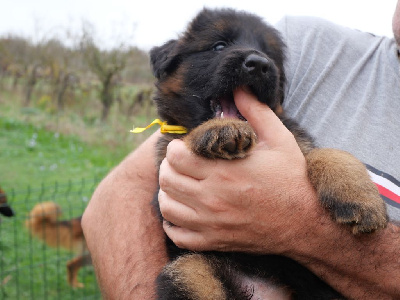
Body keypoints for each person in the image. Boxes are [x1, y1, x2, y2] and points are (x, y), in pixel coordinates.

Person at [82, 2, 400, 299]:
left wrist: (327, 192)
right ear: (170, 63)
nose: (257, 59)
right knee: (185, 273)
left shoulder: (285, 130)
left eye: (268, 58)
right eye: (219, 46)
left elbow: (312, 158)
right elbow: (127, 191)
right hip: (210, 273)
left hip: (301, 284)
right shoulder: (311, 43)